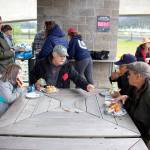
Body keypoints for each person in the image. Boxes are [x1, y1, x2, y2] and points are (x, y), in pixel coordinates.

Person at [30, 45, 95, 92]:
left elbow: (77, 78)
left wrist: (86, 85)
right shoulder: (41, 63)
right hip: (44, 93)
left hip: (62, 94)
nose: (63, 58)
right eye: (61, 56)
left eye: (65, 56)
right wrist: (35, 83)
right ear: (54, 55)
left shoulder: (68, 66)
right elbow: (32, 75)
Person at [117, 62, 150, 144]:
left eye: (130, 74)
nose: (128, 76)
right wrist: (127, 98)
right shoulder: (134, 87)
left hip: (140, 136)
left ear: (138, 76)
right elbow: (137, 105)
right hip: (129, 124)